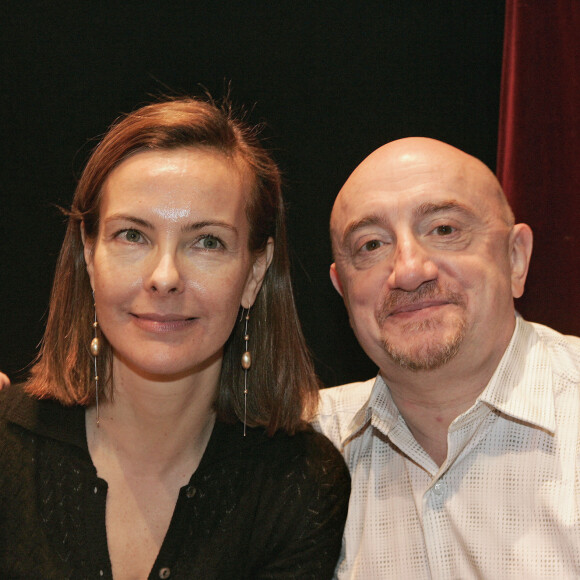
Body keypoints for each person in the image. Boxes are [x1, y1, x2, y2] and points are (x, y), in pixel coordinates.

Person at [0, 97, 350, 579]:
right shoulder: (6, 446)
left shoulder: (301, 485)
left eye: (207, 241)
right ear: (89, 256)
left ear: (254, 274)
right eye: (132, 235)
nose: (164, 277)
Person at [315, 137, 580, 579]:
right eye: (371, 245)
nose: (410, 270)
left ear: (515, 259)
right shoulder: (302, 448)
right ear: (343, 290)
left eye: (444, 230)